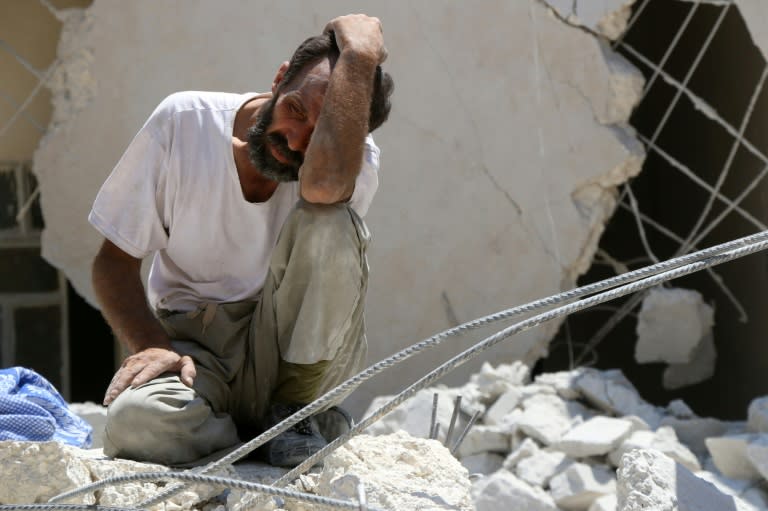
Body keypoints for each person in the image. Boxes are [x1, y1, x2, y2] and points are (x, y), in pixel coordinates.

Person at [88, 14, 393, 467]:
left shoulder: (349, 163)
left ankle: (294, 413)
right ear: (277, 79)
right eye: (295, 109)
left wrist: (361, 54)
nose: (295, 140)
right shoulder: (184, 123)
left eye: (320, 132)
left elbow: (324, 188)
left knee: (328, 224)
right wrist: (152, 344)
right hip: (197, 349)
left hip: (294, 361)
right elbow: (113, 261)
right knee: (136, 423)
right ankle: (262, 435)